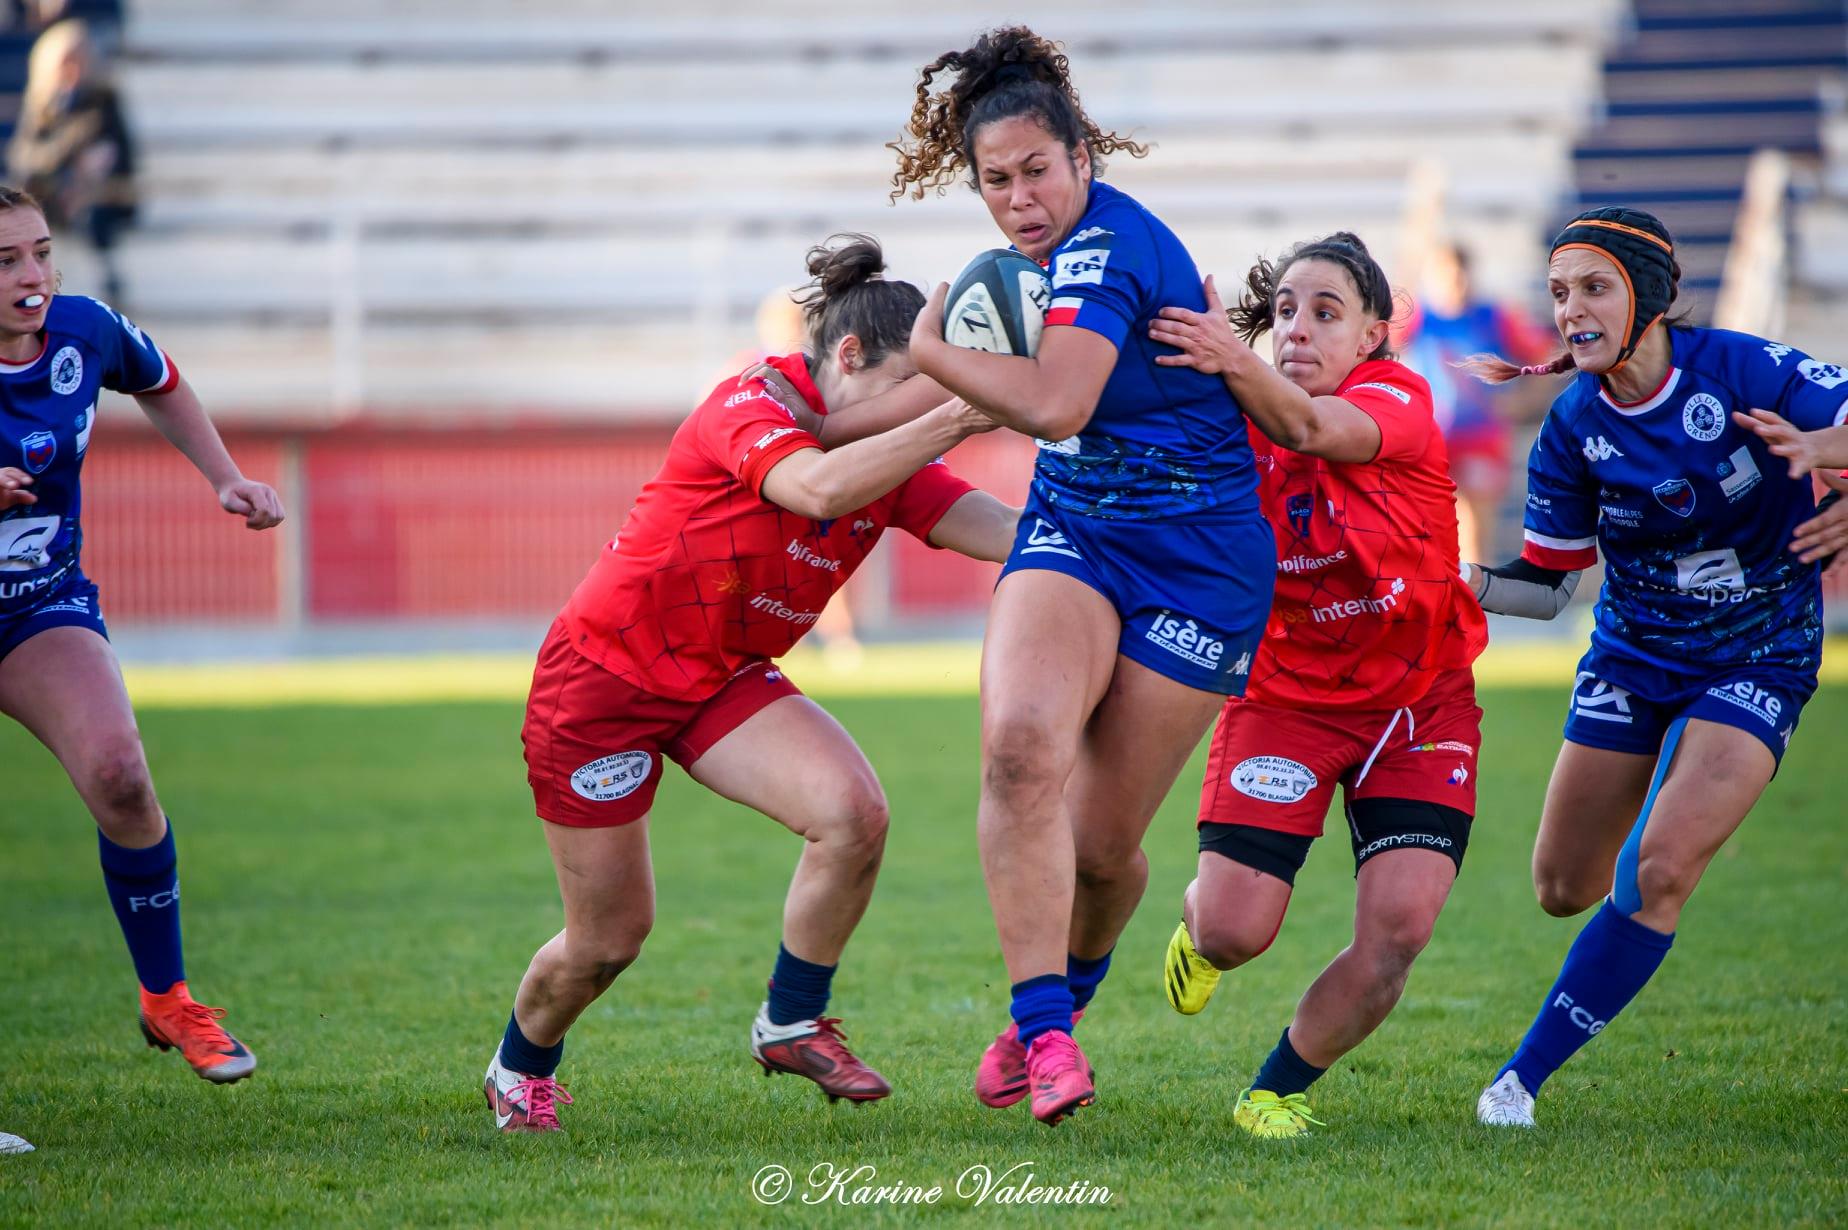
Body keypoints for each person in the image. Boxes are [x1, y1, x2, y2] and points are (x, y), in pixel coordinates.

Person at [483, 234, 1019, 1133]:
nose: (918, 411)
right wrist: (960, 415)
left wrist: (1123, 535)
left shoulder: (883, 450)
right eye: (909, 388)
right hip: (603, 684)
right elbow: (817, 489)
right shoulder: (751, 400)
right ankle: (519, 1067)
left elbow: (1002, 528)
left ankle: (791, 1020)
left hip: (720, 680)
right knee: (608, 940)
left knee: (853, 813)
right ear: (850, 356)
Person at [890, 26, 1276, 1125]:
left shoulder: (1108, 243)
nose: (1019, 200)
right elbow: (1032, 414)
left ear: (1083, 159)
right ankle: (1046, 1031)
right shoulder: (1033, 270)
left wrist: (931, 350)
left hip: (1201, 566)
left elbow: (1055, 405)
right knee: (1020, 752)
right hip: (1077, 531)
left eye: (1037, 171)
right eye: (995, 181)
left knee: (1104, 853)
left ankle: (1069, 997)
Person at [1455, 207, 1847, 1128]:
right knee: (1561, 887)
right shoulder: (1571, 425)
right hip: (1634, 657)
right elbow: (1549, 587)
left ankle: (1516, 1085)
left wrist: (1830, 455)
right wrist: (1457, 582)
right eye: (1559, 292)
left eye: (1594, 288)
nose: (1571, 310)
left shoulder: (1743, 371)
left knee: (1659, 869)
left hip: (1759, 654)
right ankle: (1680, 791)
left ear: (1652, 298)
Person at [1145, 234, 1488, 1138]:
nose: (1297, 327)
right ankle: (1200, 927)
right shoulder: (1232, 414)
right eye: (1286, 310)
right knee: (1233, 933)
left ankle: (1276, 1088)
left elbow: (1310, 429)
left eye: (1326, 312)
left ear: (1374, 333)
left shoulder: (1395, 395)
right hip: (1286, 702)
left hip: (1420, 705)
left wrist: (1228, 358)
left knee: (1400, 930)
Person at [0, 184, 283, 1084]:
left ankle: (167, 997)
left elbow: (160, 380)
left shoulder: (83, 332)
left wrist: (225, 477)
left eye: (42, 252)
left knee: (121, 775)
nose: (34, 276)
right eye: (6, 262)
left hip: (36, 606)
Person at [1396, 241, 1553, 562]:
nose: (1454, 284)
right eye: (1445, 276)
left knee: (1476, 530)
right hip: (1431, 439)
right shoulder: (1419, 318)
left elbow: (1545, 355)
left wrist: (1523, 402)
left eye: (1459, 276)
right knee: (1431, 527)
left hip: (1482, 437)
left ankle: (1475, 589)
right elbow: (1380, 339)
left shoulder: (1494, 317)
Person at [6, 20, 135, 303]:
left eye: (79, 60)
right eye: (66, 62)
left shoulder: (103, 100)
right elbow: (25, 158)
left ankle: (105, 276)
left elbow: (123, 154)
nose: (73, 70)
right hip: (51, 194)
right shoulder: (42, 104)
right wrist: (68, 147)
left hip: (96, 196)